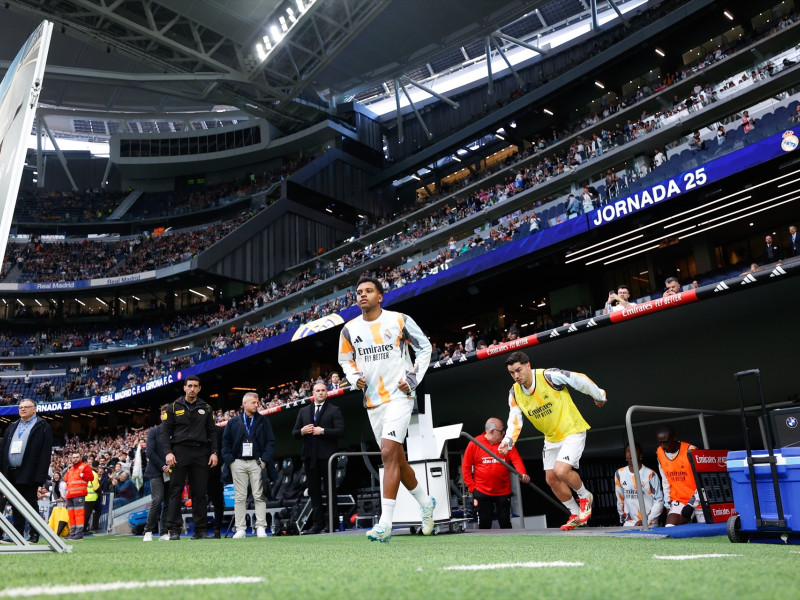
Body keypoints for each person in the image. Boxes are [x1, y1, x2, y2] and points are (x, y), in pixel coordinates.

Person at [338, 275, 434, 543]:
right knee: (397, 461)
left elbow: (424, 348)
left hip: (400, 397)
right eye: (359, 292)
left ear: (380, 296)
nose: (363, 295)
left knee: (388, 452)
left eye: (369, 291)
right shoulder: (348, 330)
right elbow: (345, 360)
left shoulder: (399, 320)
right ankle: (427, 504)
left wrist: (413, 378)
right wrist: (353, 375)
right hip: (373, 402)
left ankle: (385, 523)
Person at [498, 351, 607, 531]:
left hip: (572, 429)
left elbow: (578, 379)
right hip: (551, 438)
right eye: (512, 372)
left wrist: (599, 395)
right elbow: (515, 419)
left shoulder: (548, 376)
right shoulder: (514, 393)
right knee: (551, 478)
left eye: (518, 370)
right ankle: (575, 514)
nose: (516, 375)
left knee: (561, 470)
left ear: (528, 365)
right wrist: (508, 441)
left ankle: (585, 497)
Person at [161, 375, 218, 540]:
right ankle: (174, 530)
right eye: (190, 386)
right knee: (176, 490)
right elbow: (165, 433)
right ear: (184, 387)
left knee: (200, 492)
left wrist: (214, 452)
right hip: (179, 451)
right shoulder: (173, 407)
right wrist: (168, 452)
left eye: (196, 386)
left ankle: (200, 530)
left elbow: (212, 432)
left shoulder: (206, 408)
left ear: (200, 388)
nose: (192, 389)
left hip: (201, 452)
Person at [292, 382, 345, 534]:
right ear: (313, 393)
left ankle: (331, 523)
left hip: (328, 457)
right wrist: (302, 431)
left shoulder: (334, 410)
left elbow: (341, 431)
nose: (320, 393)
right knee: (314, 492)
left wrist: (322, 431)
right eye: (317, 391)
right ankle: (317, 524)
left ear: (326, 393)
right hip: (309, 456)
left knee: (330, 491)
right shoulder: (303, 411)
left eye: (323, 390)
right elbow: (294, 433)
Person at [222, 392, 275, 539]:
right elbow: (225, 443)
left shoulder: (264, 421)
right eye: (253, 402)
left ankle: (260, 527)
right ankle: (240, 529)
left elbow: (271, 442)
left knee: (259, 495)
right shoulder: (233, 422)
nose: (257, 404)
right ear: (244, 404)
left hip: (257, 462)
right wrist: (231, 462)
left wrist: (264, 460)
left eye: (257, 402)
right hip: (238, 462)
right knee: (240, 497)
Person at [0, 399, 53, 543]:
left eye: (26, 407)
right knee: (15, 504)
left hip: (29, 472)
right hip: (10, 472)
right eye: (20, 407)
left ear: (34, 409)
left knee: (30, 503)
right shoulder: (12, 426)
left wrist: (40, 478)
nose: (22, 409)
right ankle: (17, 534)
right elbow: (3, 450)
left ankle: (35, 534)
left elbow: (45, 454)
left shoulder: (43, 426)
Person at [462, 417, 530, 529]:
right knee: (484, 525)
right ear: (492, 431)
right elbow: (466, 467)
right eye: (502, 431)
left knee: (505, 524)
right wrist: (472, 488)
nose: (504, 433)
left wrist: (522, 473)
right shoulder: (474, 443)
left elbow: (516, 459)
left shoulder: (505, 443)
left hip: (503, 491)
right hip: (481, 491)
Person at [655, 426, 704, 526]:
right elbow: (665, 481)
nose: (663, 446)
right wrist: (668, 504)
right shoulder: (659, 453)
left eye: (665, 442)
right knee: (670, 527)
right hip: (679, 501)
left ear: (674, 438)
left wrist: (691, 505)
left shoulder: (691, 450)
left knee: (708, 533)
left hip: (699, 500)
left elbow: (702, 481)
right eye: (660, 443)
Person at [614, 441, 664, 527]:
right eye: (627, 451)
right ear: (625, 456)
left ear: (640, 455)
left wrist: (647, 520)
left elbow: (659, 500)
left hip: (649, 522)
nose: (631, 453)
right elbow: (620, 499)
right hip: (629, 523)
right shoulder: (619, 473)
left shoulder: (651, 474)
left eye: (634, 450)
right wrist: (622, 519)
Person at [143, 405, 170, 542]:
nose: (165, 415)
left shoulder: (176, 431)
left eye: (168, 413)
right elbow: (150, 452)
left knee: (168, 502)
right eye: (163, 413)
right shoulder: (154, 431)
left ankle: (164, 532)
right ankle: (148, 530)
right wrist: (163, 466)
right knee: (157, 499)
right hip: (156, 471)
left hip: (171, 472)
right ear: (160, 416)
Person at [64, 452, 93, 540]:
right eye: (73, 457)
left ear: (80, 458)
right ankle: (72, 533)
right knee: (71, 515)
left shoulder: (85, 466)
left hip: (79, 494)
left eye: (77, 457)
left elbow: (91, 477)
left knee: (78, 514)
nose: (75, 459)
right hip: (70, 495)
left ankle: (79, 533)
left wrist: (83, 475)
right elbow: (66, 479)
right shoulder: (71, 469)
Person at [82, 462, 100, 534]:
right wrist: (100, 491)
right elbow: (95, 487)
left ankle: (86, 528)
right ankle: (85, 529)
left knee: (87, 514)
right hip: (91, 497)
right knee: (87, 514)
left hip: (86, 496)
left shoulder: (87, 474)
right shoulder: (94, 474)